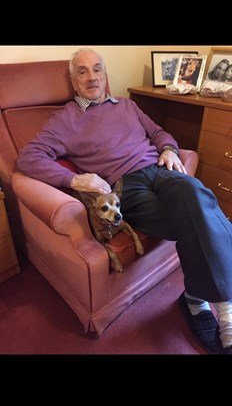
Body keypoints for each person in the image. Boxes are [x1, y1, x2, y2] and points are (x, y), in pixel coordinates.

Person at [16, 48, 232, 354]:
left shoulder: (128, 106)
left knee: (196, 193)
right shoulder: (64, 119)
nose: (92, 77)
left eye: (97, 69)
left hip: (160, 170)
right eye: (82, 71)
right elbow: (28, 158)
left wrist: (169, 149)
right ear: (73, 81)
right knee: (200, 217)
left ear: (105, 75)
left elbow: (158, 132)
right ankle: (215, 305)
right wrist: (75, 179)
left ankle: (201, 298)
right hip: (126, 187)